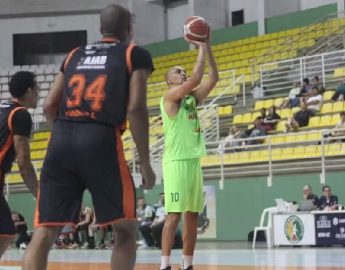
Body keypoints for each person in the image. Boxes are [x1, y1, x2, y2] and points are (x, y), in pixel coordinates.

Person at [23, 4, 156, 270]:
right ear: (129, 29)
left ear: (100, 29)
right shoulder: (134, 54)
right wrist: (144, 161)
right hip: (100, 139)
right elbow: (135, 108)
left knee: (45, 230)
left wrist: (67, 133)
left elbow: (49, 105)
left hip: (61, 136)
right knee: (126, 229)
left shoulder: (74, 54)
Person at [159, 27, 218, 270]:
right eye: (178, 72)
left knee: (192, 215)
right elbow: (196, 78)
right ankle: (164, 265)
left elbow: (213, 78)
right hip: (175, 162)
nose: (183, 74)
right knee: (173, 215)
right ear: (169, 80)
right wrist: (199, 46)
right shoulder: (169, 97)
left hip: (193, 161)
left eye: (183, 71)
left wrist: (207, 45)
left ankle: (188, 265)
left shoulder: (192, 99)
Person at [0, 71, 39, 259]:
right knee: (6, 231)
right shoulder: (20, 114)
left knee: (5, 231)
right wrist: (38, 193)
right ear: (29, 90)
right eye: (37, 88)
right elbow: (23, 161)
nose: (39, 92)